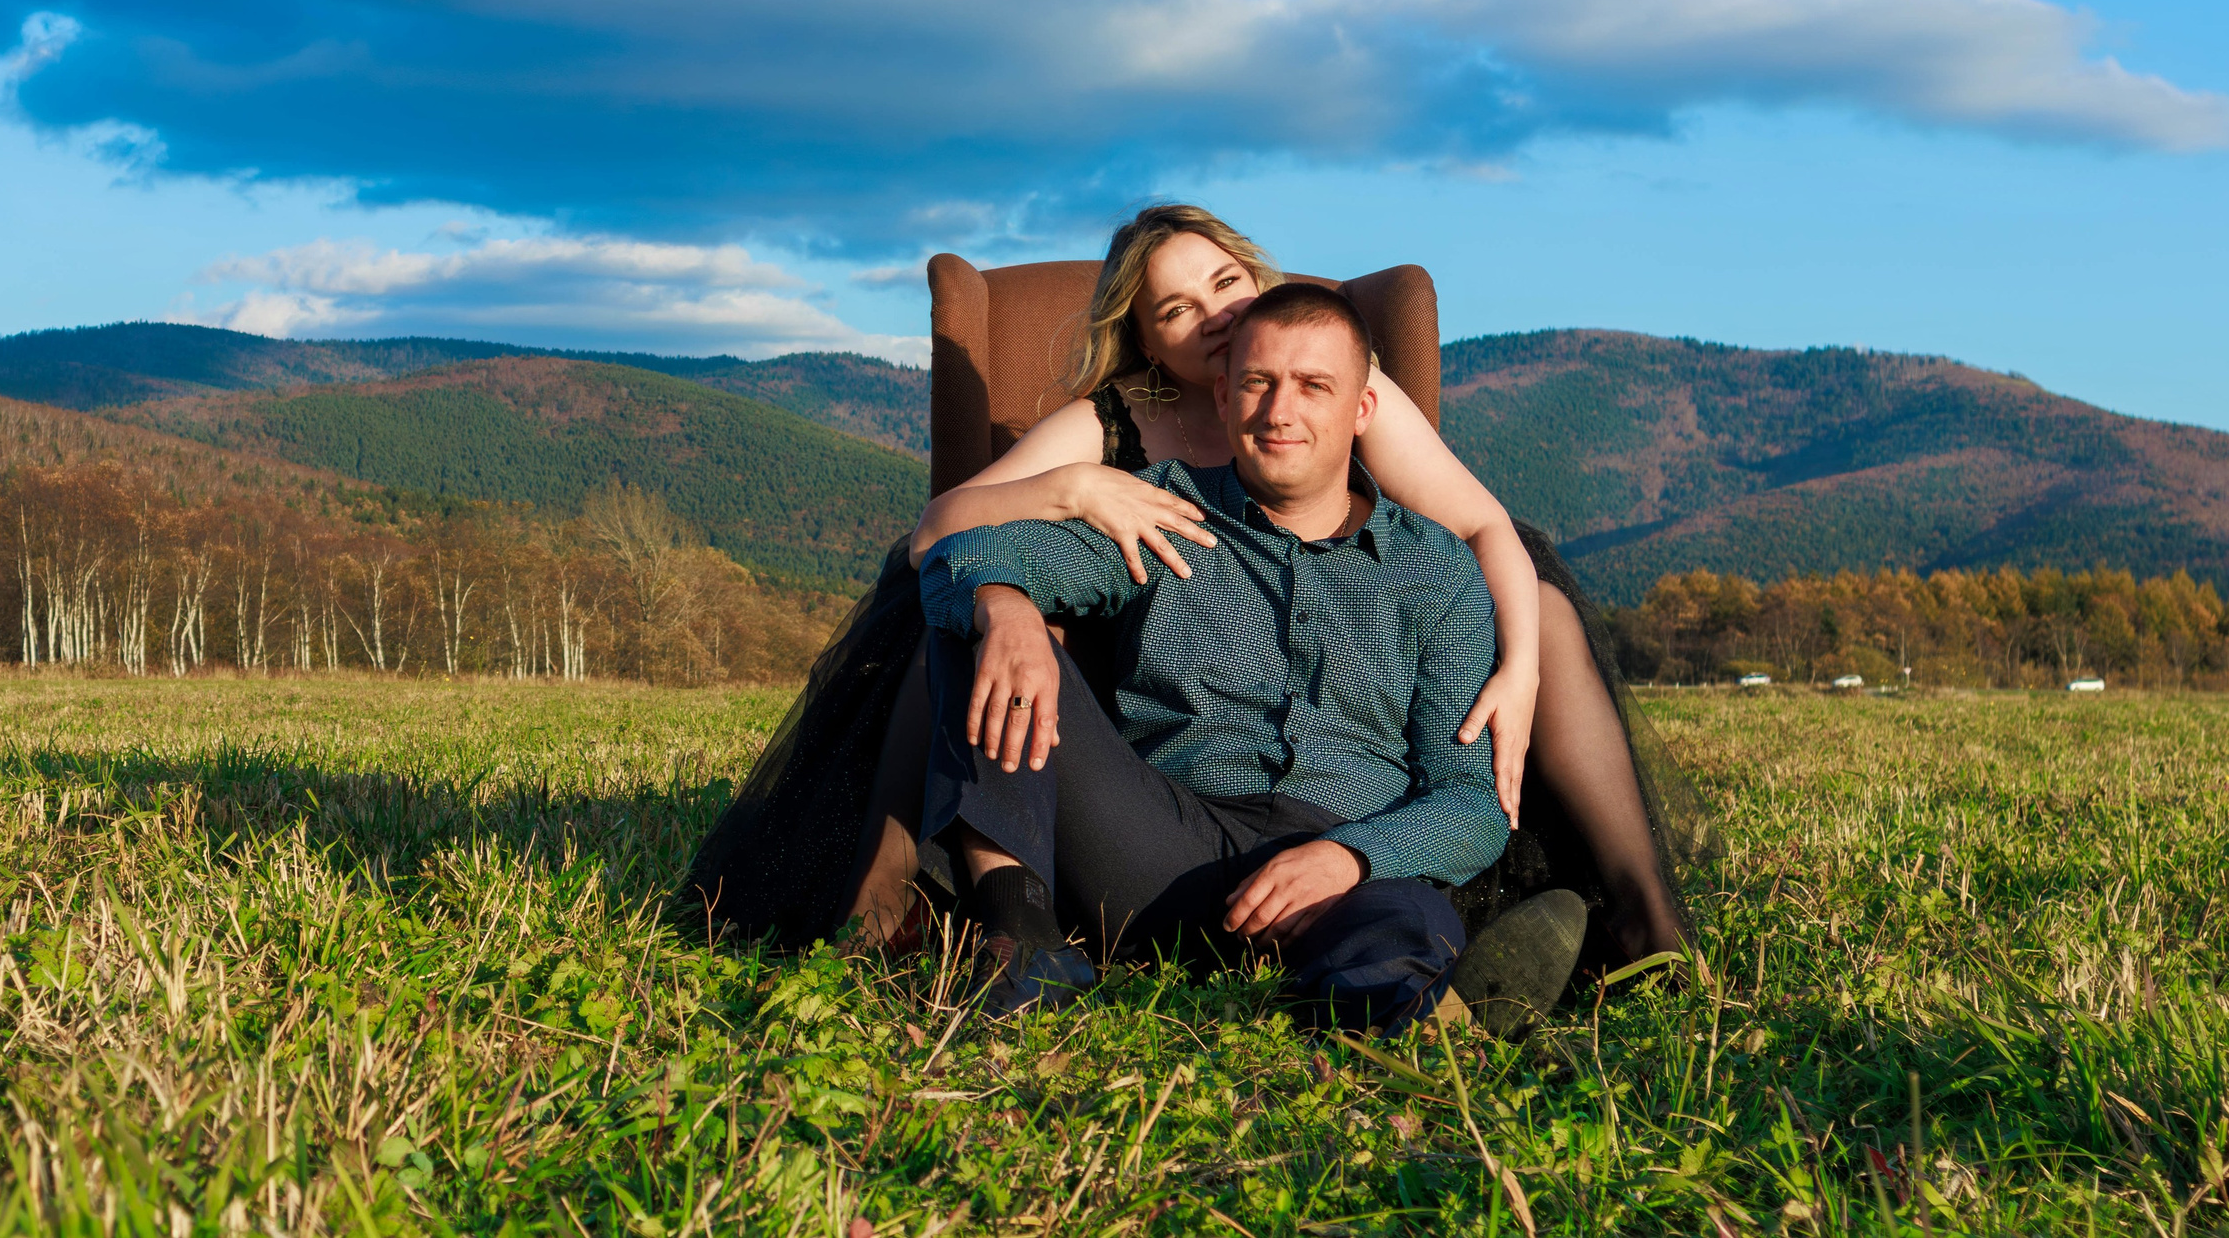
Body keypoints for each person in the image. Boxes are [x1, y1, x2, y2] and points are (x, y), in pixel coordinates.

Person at [683, 205, 1711, 978]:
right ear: (1150, 338)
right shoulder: (1123, 426)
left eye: (1225, 282)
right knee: (970, 595)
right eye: (1179, 306)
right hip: (1156, 744)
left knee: (1540, 603)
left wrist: (1520, 665)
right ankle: (929, 892)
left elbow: (1482, 524)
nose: (1217, 316)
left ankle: (1627, 918)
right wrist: (1073, 490)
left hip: (1362, 710)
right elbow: (943, 533)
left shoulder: (1340, 388)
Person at [917, 282, 1587, 1028]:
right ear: (1224, 391)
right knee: (976, 627)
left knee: (1405, 914)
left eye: (1313, 387)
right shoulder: (1160, 509)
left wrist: (1351, 857)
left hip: (1341, 865)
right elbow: (963, 550)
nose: (1279, 411)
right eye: (1258, 382)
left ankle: (1417, 1011)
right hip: (1158, 854)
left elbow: (1470, 800)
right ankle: (1023, 944)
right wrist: (1007, 610)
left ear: (1362, 409)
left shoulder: (1434, 570)